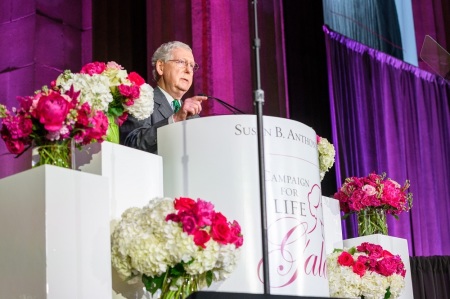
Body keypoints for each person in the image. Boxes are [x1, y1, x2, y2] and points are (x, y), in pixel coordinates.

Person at [120, 41, 207, 153]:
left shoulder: (194, 117)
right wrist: (174, 120)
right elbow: (130, 143)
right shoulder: (141, 101)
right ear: (161, 67)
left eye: (192, 65)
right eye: (181, 62)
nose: (189, 70)